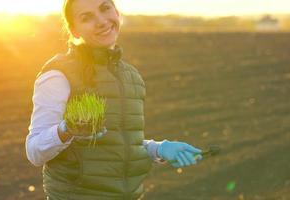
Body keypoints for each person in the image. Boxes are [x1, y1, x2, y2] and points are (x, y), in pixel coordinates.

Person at [25, 0, 203, 199]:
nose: (101, 21)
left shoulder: (131, 77)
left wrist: (159, 148)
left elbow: (118, 143)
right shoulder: (58, 74)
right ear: (74, 31)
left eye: (105, 8)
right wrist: (67, 130)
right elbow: (34, 152)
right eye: (87, 17)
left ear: (117, 13)